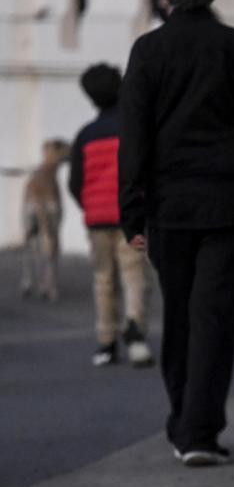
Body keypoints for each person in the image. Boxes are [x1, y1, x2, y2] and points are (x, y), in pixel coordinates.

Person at [119, 0, 234, 467]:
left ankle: (183, 421)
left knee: (181, 314)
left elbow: (135, 138)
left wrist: (132, 211)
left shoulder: (148, 52)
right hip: (229, 207)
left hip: (170, 209)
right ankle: (201, 430)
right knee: (214, 318)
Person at [68, 63, 153, 368]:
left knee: (103, 279)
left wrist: (89, 204)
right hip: (129, 216)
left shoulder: (85, 136)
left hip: (97, 219)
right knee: (134, 276)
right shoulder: (132, 129)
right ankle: (136, 332)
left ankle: (106, 342)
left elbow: (75, 182)